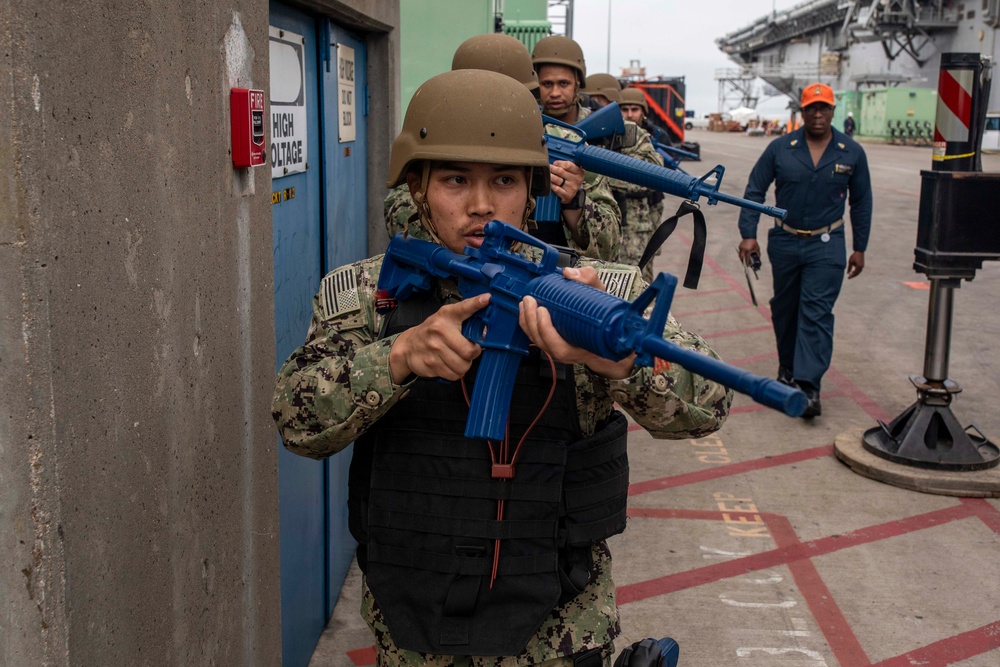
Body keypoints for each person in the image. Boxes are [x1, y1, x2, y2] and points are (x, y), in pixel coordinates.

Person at [273, 69, 732, 667]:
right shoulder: (369, 295)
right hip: (414, 628)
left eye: (505, 181)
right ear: (418, 187)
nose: (482, 205)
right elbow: (295, 421)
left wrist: (620, 363)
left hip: (558, 631)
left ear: (533, 189)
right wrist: (398, 357)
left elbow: (713, 401)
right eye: (456, 179)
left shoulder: (592, 289)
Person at [386, 33, 622, 261]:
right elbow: (398, 218)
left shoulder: (563, 142)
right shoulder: (437, 136)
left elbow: (609, 247)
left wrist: (574, 203)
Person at [736, 82, 872, 418]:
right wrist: (748, 233)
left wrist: (860, 248)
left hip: (828, 245)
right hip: (784, 242)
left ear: (833, 111)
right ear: (802, 112)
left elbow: (862, 203)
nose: (817, 114)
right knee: (785, 309)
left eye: (823, 108)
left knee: (816, 312)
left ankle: (809, 385)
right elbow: (754, 191)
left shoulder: (850, 151)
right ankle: (787, 371)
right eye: (811, 108)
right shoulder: (781, 148)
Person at [580, 75, 665, 284]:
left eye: (600, 102)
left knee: (634, 285)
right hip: (590, 228)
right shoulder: (579, 131)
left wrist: (594, 174)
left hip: (632, 226)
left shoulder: (630, 135)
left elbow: (652, 176)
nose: (593, 108)